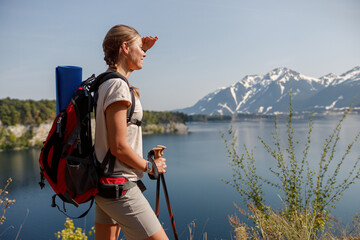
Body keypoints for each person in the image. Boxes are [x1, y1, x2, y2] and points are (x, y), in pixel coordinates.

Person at [94, 24, 168, 240]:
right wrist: (150, 167)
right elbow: (118, 147)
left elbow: (125, 64)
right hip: (121, 188)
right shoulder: (118, 87)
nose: (145, 53)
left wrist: (139, 46)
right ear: (125, 48)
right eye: (140, 48)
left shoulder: (105, 81)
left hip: (105, 185)